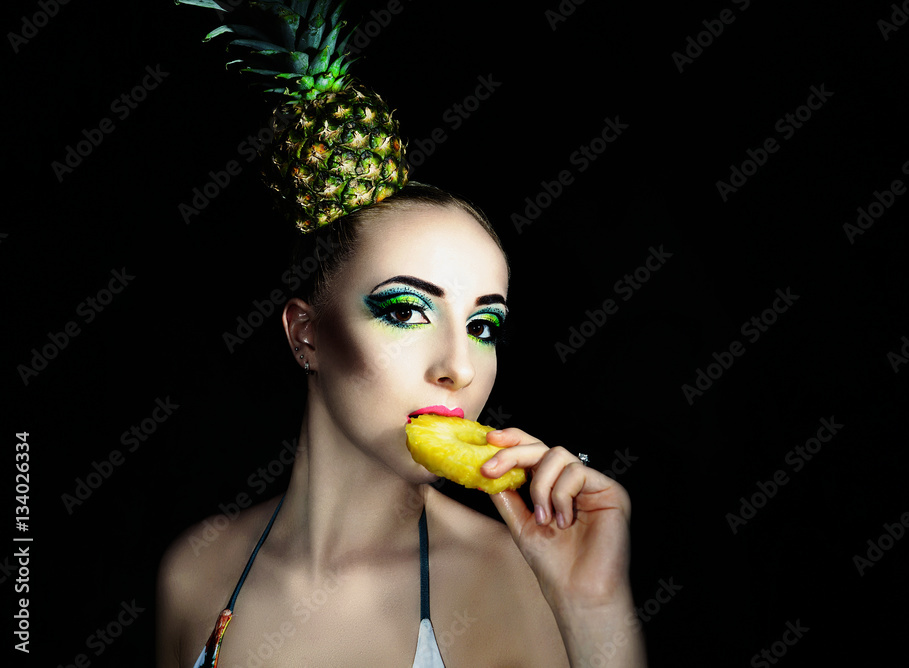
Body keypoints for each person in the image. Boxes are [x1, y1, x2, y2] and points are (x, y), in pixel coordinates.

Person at [155, 182, 644, 667]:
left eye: (482, 327)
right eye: (407, 311)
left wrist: (594, 612)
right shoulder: (195, 571)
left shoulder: (516, 584)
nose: (461, 367)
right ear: (308, 334)